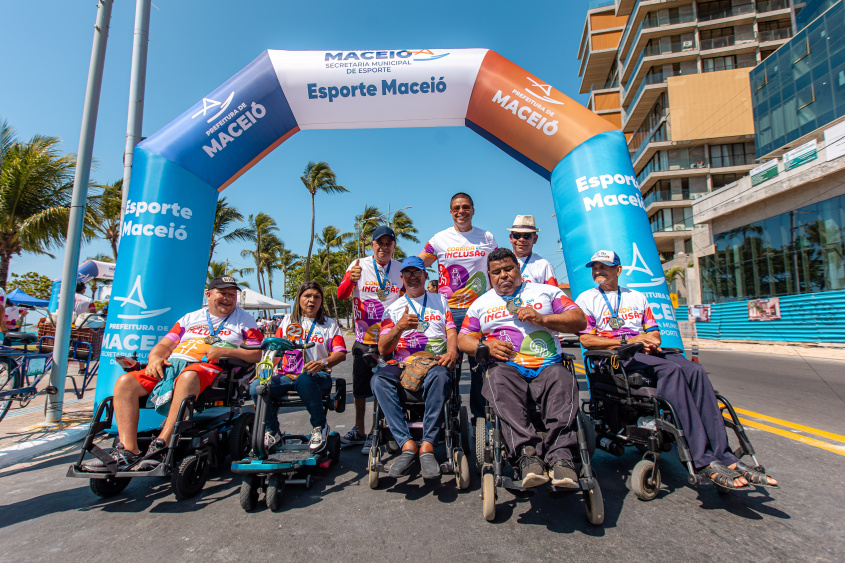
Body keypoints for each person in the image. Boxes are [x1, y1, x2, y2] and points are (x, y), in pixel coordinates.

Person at [575, 250, 777, 488]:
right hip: (615, 356)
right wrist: (628, 342)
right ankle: (701, 457)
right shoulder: (586, 299)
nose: (598, 271)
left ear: (618, 270)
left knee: (694, 370)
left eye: (604, 267)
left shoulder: (636, 297)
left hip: (644, 351)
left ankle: (725, 455)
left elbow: (654, 331)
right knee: (670, 371)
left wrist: (650, 341)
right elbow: (587, 340)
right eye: (594, 267)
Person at [82, 276, 263, 470]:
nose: (228, 298)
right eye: (223, 293)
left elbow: (256, 353)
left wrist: (225, 352)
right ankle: (128, 450)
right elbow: (164, 345)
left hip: (211, 372)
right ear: (209, 295)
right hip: (172, 366)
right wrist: (155, 358)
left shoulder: (244, 320)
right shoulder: (190, 318)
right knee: (126, 382)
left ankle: (163, 444)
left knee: (188, 376)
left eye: (232, 295)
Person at [458, 248, 587, 488]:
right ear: (489, 275)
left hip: (547, 366)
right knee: (496, 380)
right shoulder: (481, 303)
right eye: (496, 272)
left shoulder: (547, 292)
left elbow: (580, 320)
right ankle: (527, 455)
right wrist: (484, 345)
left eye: (508, 268)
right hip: (507, 368)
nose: (503, 275)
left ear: (518, 268)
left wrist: (543, 319)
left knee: (563, 378)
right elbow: (463, 339)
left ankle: (561, 459)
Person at [371, 257, 457, 479]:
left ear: (425, 275)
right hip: (402, 363)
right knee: (379, 380)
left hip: (433, 362)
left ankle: (428, 444)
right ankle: (407, 444)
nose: (412, 277)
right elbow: (382, 348)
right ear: (401, 278)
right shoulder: (393, 308)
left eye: (417, 272)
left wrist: (452, 352)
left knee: (441, 377)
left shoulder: (440, 301)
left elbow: (450, 331)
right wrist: (399, 327)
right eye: (407, 273)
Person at [419, 192, 497, 421]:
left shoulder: (488, 237)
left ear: (473, 210)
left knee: (480, 368)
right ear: (451, 212)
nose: (461, 211)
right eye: (456, 208)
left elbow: (498, 266)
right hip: (448, 312)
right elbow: (416, 265)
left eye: (465, 207)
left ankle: (480, 417)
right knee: (447, 366)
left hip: (478, 313)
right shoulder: (439, 239)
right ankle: (448, 416)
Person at [252, 281, 347, 451]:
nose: (312, 300)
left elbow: (340, 353)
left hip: (318, 375)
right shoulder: (287, 321)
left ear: (321, 301)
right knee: (256, 387)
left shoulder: (329, 324)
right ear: (299, 299)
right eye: (307, 296)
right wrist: (264, 372)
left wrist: (322, 362)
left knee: (304, 379)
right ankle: (272, 431)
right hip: (286, 375)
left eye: (316, 297)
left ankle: (320, 426)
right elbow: (275, 350)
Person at [337, 226, 404, 453]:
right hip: (363, 337)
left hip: (389, 339)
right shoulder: (358, 264)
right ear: (372, 245)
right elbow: (341, 294)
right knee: (360, 389)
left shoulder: (400, 268)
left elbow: (406, 297)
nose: (384, 247)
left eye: (389, 243)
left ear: (394, 246)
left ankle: (378, 431)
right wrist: (349, 280)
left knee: (383, 385)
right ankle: (359, 429)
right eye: (380, 243)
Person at [507, 214, 558, 286]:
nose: (521, 239)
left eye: (526, 236)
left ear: (535, 239)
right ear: (511, 238)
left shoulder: (543, 265)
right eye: (517, 235)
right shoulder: (502, 263)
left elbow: (553, 294)